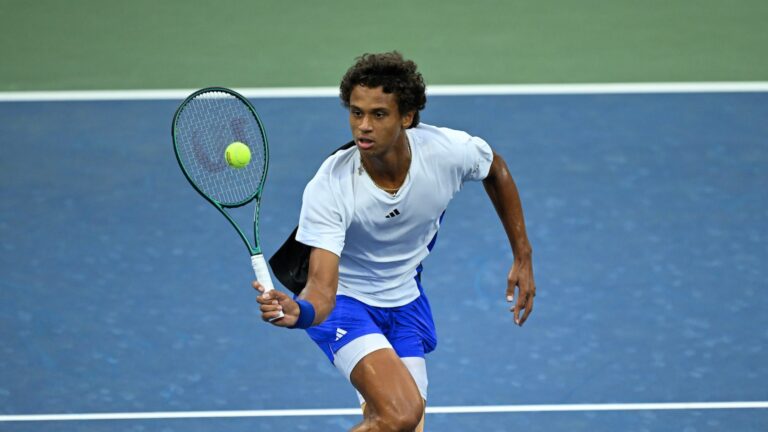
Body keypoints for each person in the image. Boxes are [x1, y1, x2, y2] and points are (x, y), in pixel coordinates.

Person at [254, 51, 536, 432]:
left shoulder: (445, 153)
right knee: (402, 414)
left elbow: (495, 169)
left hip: (404, 299)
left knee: (398, 425)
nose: (363, 127)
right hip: (345, 303)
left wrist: (522, 255)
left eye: (378, 114)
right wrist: (300, 313)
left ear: (407, 116)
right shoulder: (331, 185)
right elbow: (322, 288)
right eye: (356, 113)